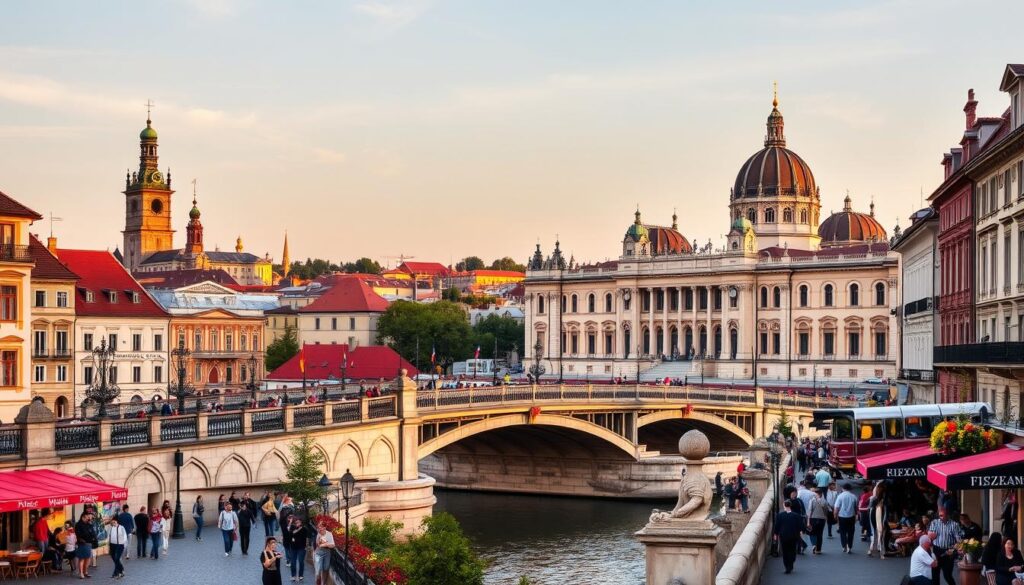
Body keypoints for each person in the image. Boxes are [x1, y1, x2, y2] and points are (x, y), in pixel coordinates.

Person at [928, 506, 964, 585]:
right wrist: (931, 550)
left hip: (948, 551)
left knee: (947, 575)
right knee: (935, 574)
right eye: (939, 515)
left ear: (948, 515)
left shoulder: (954, 525)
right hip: (936, 550)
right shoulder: (934, 522)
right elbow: (930, 537)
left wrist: (954, 549)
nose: (940, 517)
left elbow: (959, 540)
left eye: (942, 515)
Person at [774, 499, 804, 574]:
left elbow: (777, 526)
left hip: (783, 536)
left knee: (785, 551)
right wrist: (801, 532)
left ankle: (787, 566)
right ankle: (791, 563)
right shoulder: (796, 516)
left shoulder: (780, 515)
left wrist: (775, 534)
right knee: (792, 550)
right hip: (794, 535)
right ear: (790, 505)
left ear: (784, 505)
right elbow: (800, 526)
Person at [833, 482, 859, 554]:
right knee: (851, 532)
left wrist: (835, 515)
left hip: (842, 517)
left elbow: (837, 507)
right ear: (850, 489)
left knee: (843, 532)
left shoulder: (840, 496)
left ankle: (844, 545)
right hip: (851, 517)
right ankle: (849, 546)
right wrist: (856, 516)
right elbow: (856, 508)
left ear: (843, 488)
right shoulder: (854, 496)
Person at [868, 481, 888, 558]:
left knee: (873, 532)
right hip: (881, 513)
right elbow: (886, 511)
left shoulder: (873, 499)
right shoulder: (884, 499)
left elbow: (869, 508)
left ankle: (871, 548)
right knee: (881, 532)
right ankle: (881, 550)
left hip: (873, 513)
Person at [807, 488, 831, 555]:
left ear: (816, 494)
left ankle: (814, 545)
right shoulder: (825, 501)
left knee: (812, 532)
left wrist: (808, 521)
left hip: (813, 518)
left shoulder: (812, 500)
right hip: (822, 519)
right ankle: (818, 550)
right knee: (820, 534)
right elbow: (827, 512)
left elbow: (810, 511)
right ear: (821, 494)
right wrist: (825, 519)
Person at [74, 511, 97, 579]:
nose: (88, 518)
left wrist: (90, 524)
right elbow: (78, 535)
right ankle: (81, 573)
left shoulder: (88, 524)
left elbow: (92, 532)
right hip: (82, 544)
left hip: (89, 543)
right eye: (87, 517)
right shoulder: (78, 524)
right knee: (82, 559)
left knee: (88, 558)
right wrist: (83, 539)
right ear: (83, 517)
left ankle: (85, 572)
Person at [286, 516, 307, 582]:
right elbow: (289, 534)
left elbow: (307, 538)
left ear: (301, 522)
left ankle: (301, 575)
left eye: (298, 522)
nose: (297, 523)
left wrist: (306, 546)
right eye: (296, 522)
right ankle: (293, 575)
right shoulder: (292, 527)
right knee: (293, 562)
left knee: (301, 562)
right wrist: (296, 529)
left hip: (301, 547)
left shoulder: (304, 529)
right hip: (293, 547)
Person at [107, 515, 128, 579]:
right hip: (112, 545)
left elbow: (125, 537)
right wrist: (108, 545)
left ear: (116, 521)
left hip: (120, 545)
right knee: (114, 559)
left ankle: (116, 573)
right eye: (112, 522)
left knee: (117, 558)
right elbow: (108, 536)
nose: (112, 523)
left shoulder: (121, 527)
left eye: (114, 521)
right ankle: (122, 570)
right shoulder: (110, 528)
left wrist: (124, 544)